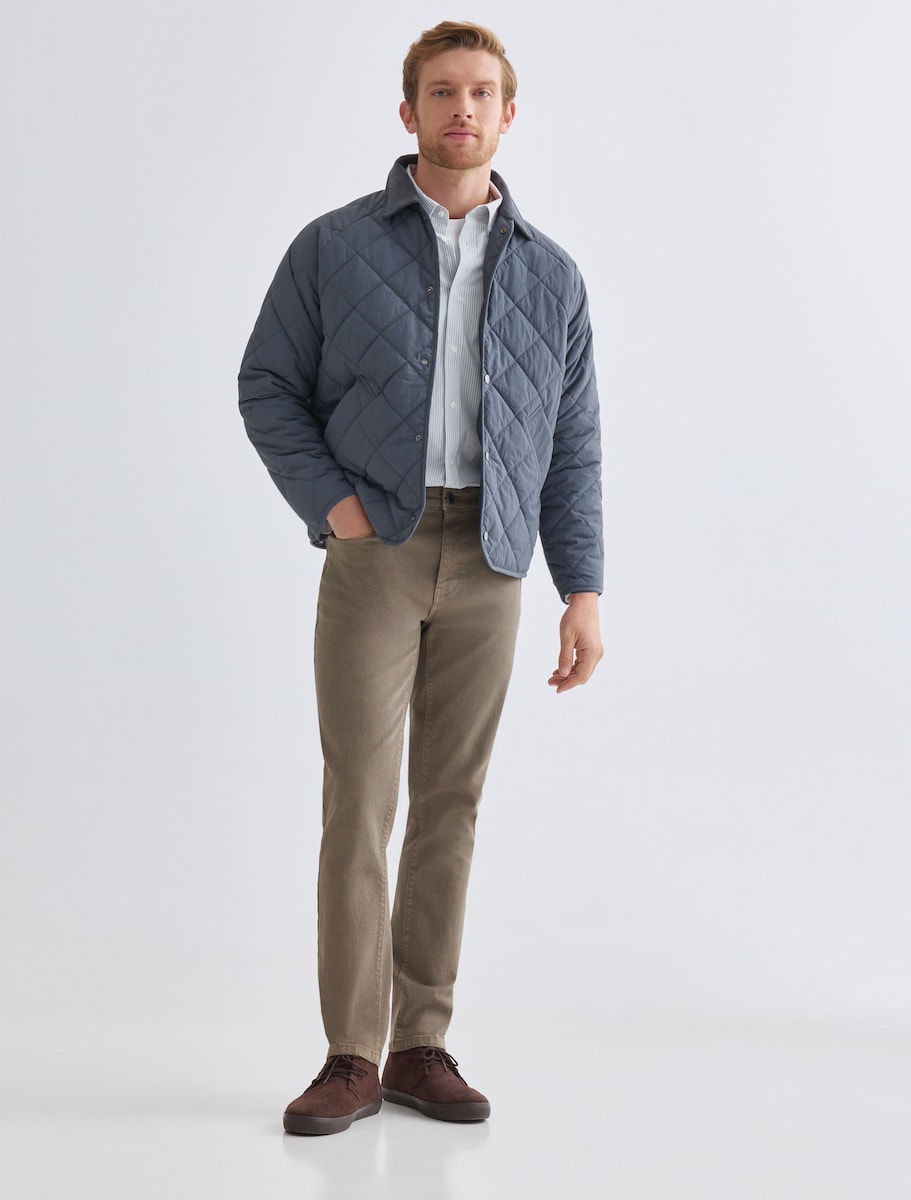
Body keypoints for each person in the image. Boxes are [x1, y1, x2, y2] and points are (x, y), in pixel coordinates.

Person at [238, 20, 604, 1136]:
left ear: (507, 114)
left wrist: (581, 590)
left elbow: (573, 442)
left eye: (481, 92)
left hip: (493, 560)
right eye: (441, 92)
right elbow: (266, 385)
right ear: (408, 113)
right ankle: (349, 1055)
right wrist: (336, 509)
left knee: (451, 805)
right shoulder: (332, 246)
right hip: (376, 551)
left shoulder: (552, 274)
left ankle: (419, 1045)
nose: (461, 109)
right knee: (359, 800)